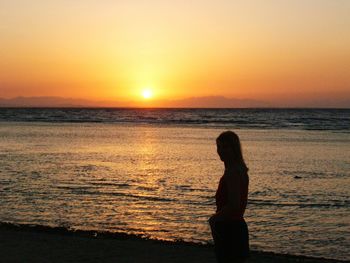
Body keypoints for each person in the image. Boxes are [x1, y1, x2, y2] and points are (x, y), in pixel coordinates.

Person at [209, 131, 250, 263]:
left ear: (234, 149)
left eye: (225, 147)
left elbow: (234, 204)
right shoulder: (239, 170)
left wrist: (214, 218)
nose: (221, 151)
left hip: (230, 228)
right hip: (236, 227)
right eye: (219, 147)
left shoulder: (232, 173)